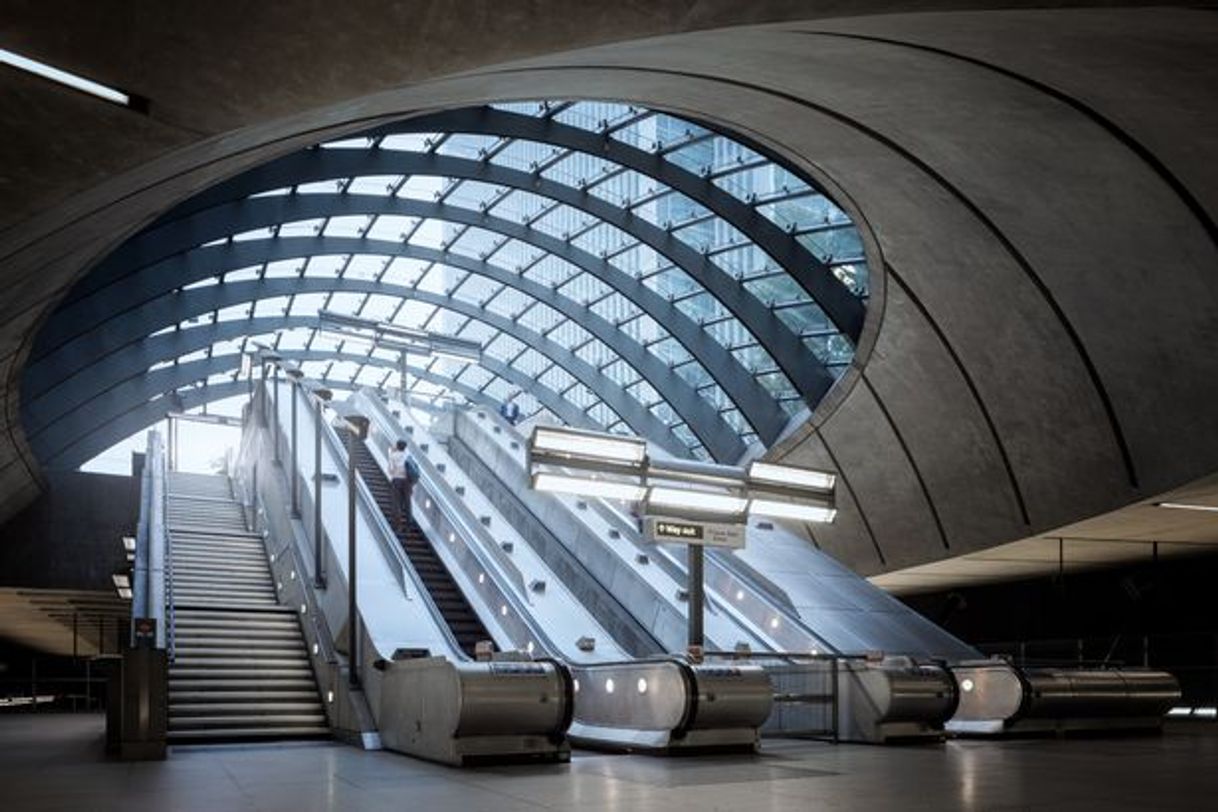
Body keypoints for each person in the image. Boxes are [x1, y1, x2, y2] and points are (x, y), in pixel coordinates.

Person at [387, 439, 412, 532]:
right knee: (407, 503)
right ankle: (409, 525)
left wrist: (392, 452)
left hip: (397, 480)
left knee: (396, 503)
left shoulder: (393, 456)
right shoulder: (408, 455)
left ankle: (397, 526)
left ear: (397, 446)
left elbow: (390, 470)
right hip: (407, 482)